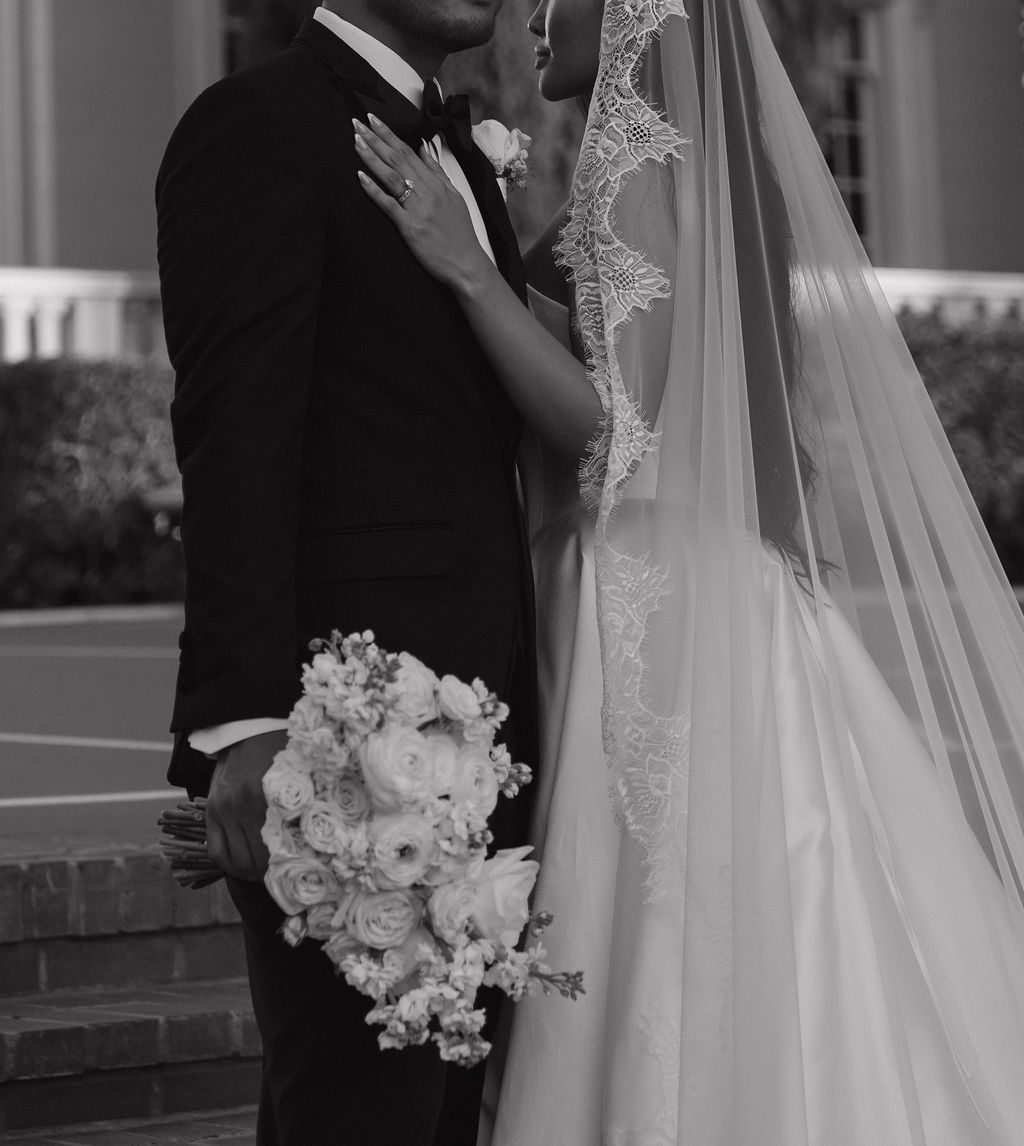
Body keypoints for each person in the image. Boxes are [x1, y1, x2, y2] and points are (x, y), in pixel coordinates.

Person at [355, 0, 1024, 1140]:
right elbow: (631, 362)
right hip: (691, 580)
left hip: (645, 596)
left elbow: (616, 429)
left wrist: (470, 274)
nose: (528, 18)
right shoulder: (681, 165)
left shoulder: (637, 166)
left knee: (663, 920)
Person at [154, 0, 541, 1141]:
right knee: (353, 1117)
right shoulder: (259, 124)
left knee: (435, 1115)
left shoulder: (457, 149)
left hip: (486, 743)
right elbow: (235, 430)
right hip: (345, 758)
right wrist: (240, 728)